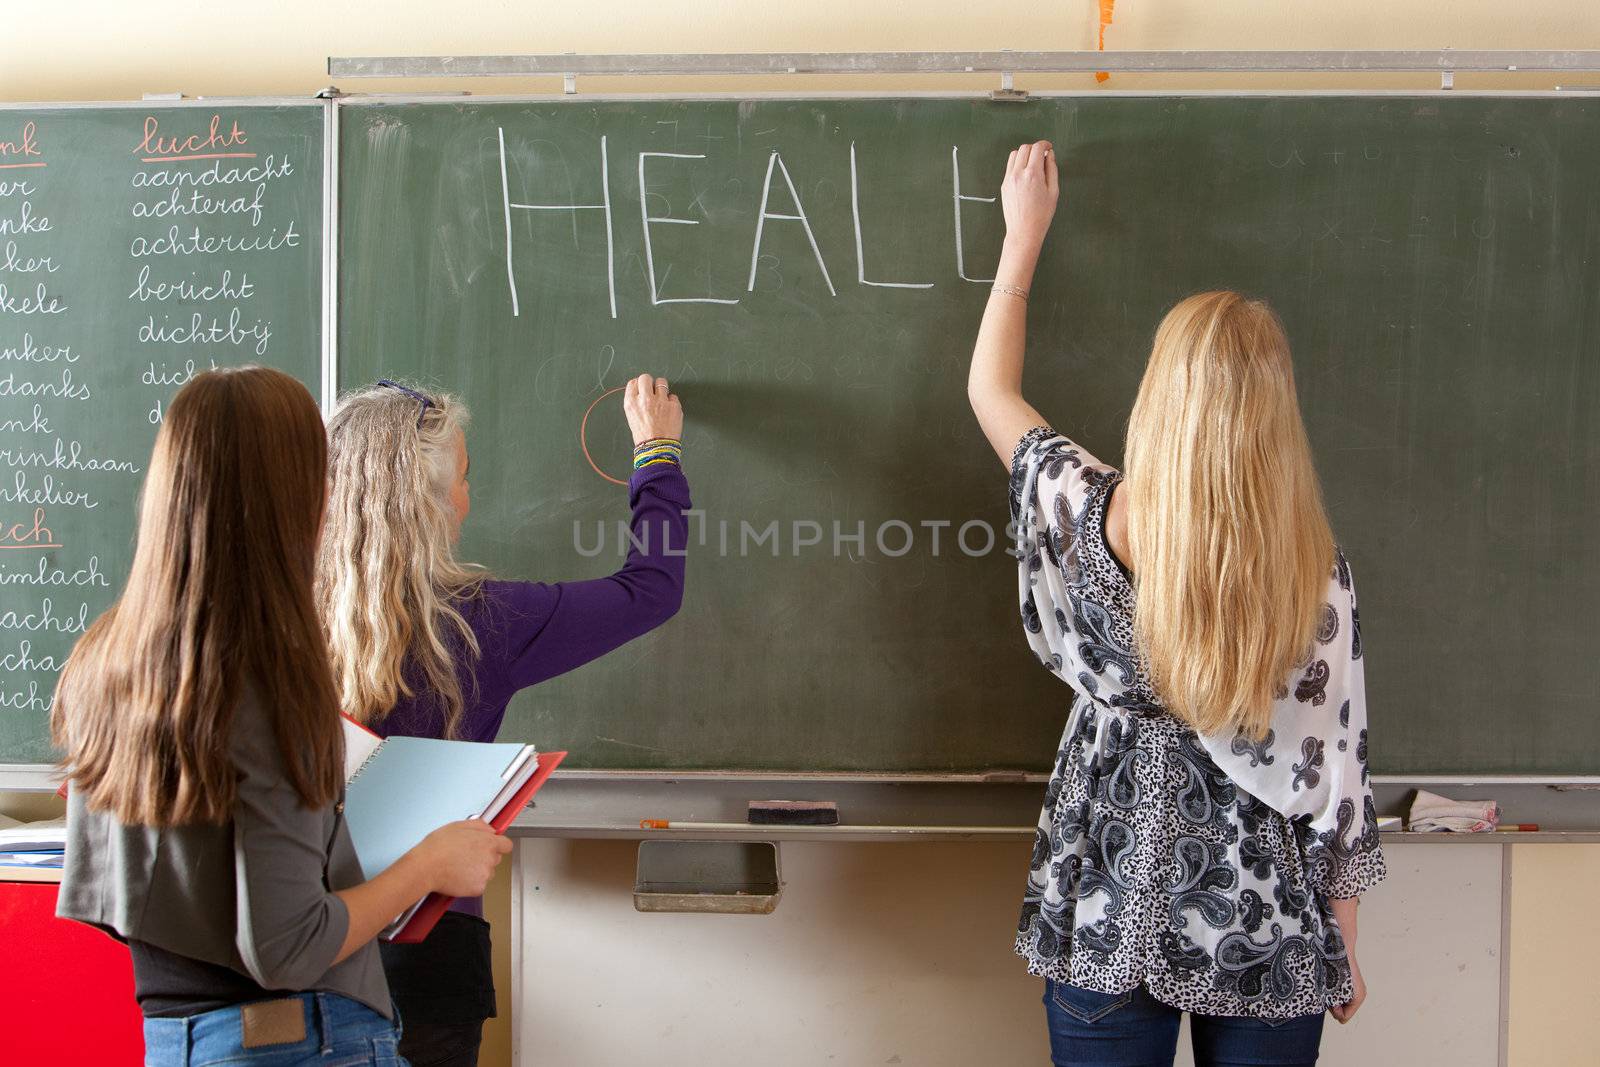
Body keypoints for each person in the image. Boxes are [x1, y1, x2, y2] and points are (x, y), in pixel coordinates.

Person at [967, 141, 1386, 1067]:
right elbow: (1338, 776)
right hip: (1265, 923)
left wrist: (1022, 237)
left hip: (1109, 898)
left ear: (1162, 397)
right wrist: (1345, 934)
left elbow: (990, 390)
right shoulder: (1312, 572)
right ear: (1276, 415)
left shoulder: (1087, 510)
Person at [54, 367, 511, 1066]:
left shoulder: (103, 663)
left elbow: (101, 894)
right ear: (297, 497)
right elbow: (290, 943)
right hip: (301, 1040)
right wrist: (428, 864)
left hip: (175, 1042)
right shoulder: (265, 679)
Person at [315, 373, 690, 1067]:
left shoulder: (270, 619)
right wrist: (656, 455)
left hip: (303, 947)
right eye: (461, 478)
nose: (466, 499)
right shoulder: (481, 621)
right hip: (430, 956)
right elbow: (651, 590)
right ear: (425, 506)